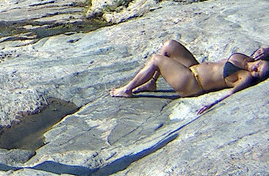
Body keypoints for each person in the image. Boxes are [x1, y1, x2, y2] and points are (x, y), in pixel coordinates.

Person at [109, 38, 269, 114]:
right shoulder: (249, 58)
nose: (255, 69)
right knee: (169, 45)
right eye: (259, 66)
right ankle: (152, 82)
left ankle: (127, 89)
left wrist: (211, 104)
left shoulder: (246, 77)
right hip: (193, 68)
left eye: (258, 73)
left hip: (192, 83)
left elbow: (231, 93)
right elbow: (263, 51)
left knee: (156, 60)